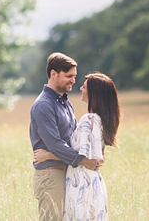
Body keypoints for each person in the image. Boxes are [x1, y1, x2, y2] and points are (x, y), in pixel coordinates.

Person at [34, 71, 121, 221]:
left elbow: (82, 155)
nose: (80, 88)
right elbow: (96, 154)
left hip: (81, 181)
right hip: (94, 181)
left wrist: (47, 155)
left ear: (94, 93)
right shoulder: (103, 120)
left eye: (85, 87)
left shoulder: (89, 119)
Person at [30, 53, 103, 221]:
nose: (73, 81)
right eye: (69, 76)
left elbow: (73, 140)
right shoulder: (44, 105)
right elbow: (55, 144)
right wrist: (83, 160)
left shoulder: (64, 103)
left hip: (69, 173)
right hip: (51, 175)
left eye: (74, 76)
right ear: (54, 74)